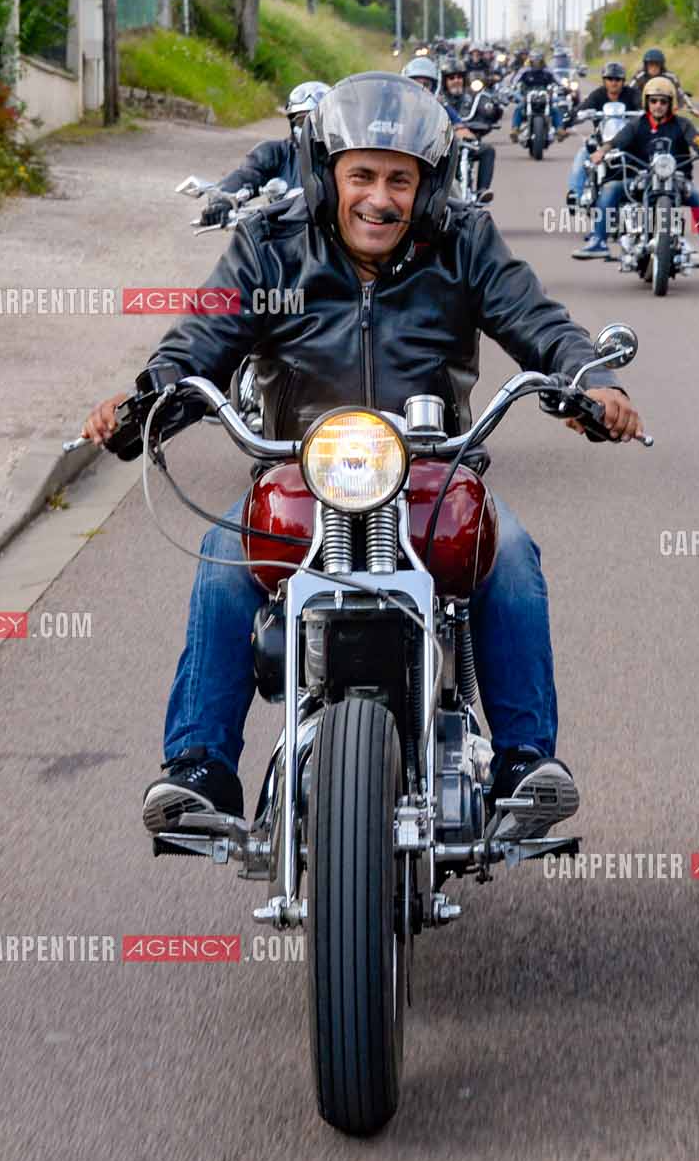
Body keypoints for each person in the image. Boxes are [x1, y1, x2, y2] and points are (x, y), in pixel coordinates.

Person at [78, 72, 646, 846]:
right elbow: (199, 344)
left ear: (429, 188)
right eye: (363, 176)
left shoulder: (462, 243)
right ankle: (200, 770)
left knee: (508, 552)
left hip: (431, 475)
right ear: (326, 176)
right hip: (296, 477)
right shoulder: (269, 248)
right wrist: (147, 400)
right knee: (221, 553)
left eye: (400, 180)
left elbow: (536, 320)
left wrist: (587, 381)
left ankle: (524, 767)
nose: (380, 198)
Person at [573, 76, 699, 264]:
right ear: (647, 102)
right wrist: (601, 152)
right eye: (653, 101)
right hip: (641, 179)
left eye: (663, 101)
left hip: (676, 180)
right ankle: (597, 241)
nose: (658, 105)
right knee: (610, 189)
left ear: (670, 103)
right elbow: (616, 141)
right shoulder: (637, 124)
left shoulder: (683, 125)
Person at [203, 80, 331, 224]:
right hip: (282, 232)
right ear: (292, 124)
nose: (309, 130)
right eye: (303, 122)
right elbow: (247, 175)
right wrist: (222, 201)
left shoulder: (342, 158)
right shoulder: (275, 153)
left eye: (316, 123)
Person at [565, 61, 638, 206]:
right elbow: (583, 108)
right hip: (601, 139)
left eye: (617, 79)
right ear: (604, 80)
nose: (614, 82)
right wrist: (571, 118)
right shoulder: (598, 95)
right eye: (610, 79)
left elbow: (644, 107)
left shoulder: (632, 94)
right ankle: (575, 194)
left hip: (627, 140)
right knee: (584, 153)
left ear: (623, 81)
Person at [438, 60, 499, 203]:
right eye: (451, 78)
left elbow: (486, 111)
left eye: (459, 77)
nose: (456, 81)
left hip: (466, 142)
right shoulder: (440, 99)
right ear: (444, 81)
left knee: (488, 150)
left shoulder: (471, 97)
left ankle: (481, 192)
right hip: (442, 146)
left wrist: (490, 112)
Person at [637, 46, 699, 116]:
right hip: (643, 112)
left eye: (656, 64)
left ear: (662, 65)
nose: (653, 68)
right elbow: (629, 92)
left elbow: (681, 93)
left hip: (665, 112)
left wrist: (692, 109)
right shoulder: (639, 76)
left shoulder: (670, 77)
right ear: (646, 65)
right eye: (651, 64)